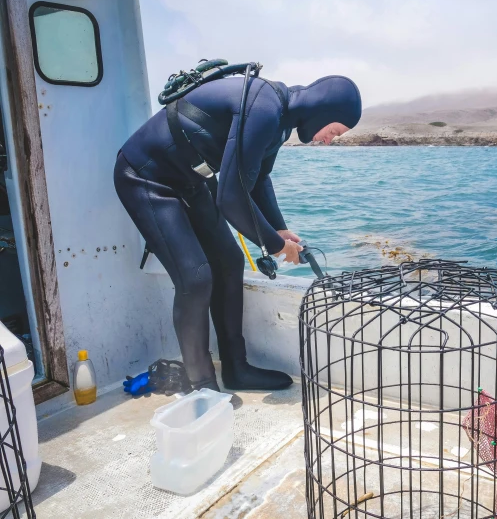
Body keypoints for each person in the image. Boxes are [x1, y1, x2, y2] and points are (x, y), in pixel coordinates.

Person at [114, 73, 362, 391]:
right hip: (146, 178)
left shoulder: (280, 119)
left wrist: (280, 229)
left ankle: (236, 369)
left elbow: (258, 180)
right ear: (325, 112)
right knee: (196, 277)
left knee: (230, 261)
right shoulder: (264, 108)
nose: (330, 139)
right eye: (335, 131)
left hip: (191, 178)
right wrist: (274, 245)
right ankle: (203, 387)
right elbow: (231, 198)